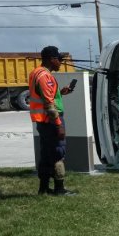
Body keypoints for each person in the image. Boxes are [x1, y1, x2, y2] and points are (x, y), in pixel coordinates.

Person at [29, 46, 76, 196]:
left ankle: (43, 189)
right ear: (52, 59)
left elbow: (47, 97)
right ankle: (59, 189)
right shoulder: (45, 76)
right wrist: (59, 125)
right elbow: (49, 104)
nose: (61, 62)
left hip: (43, 121)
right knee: (57, 153)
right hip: (50, 120)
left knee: (46, 154)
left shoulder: (36, 73)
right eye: (59, 59)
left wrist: (61, 93)